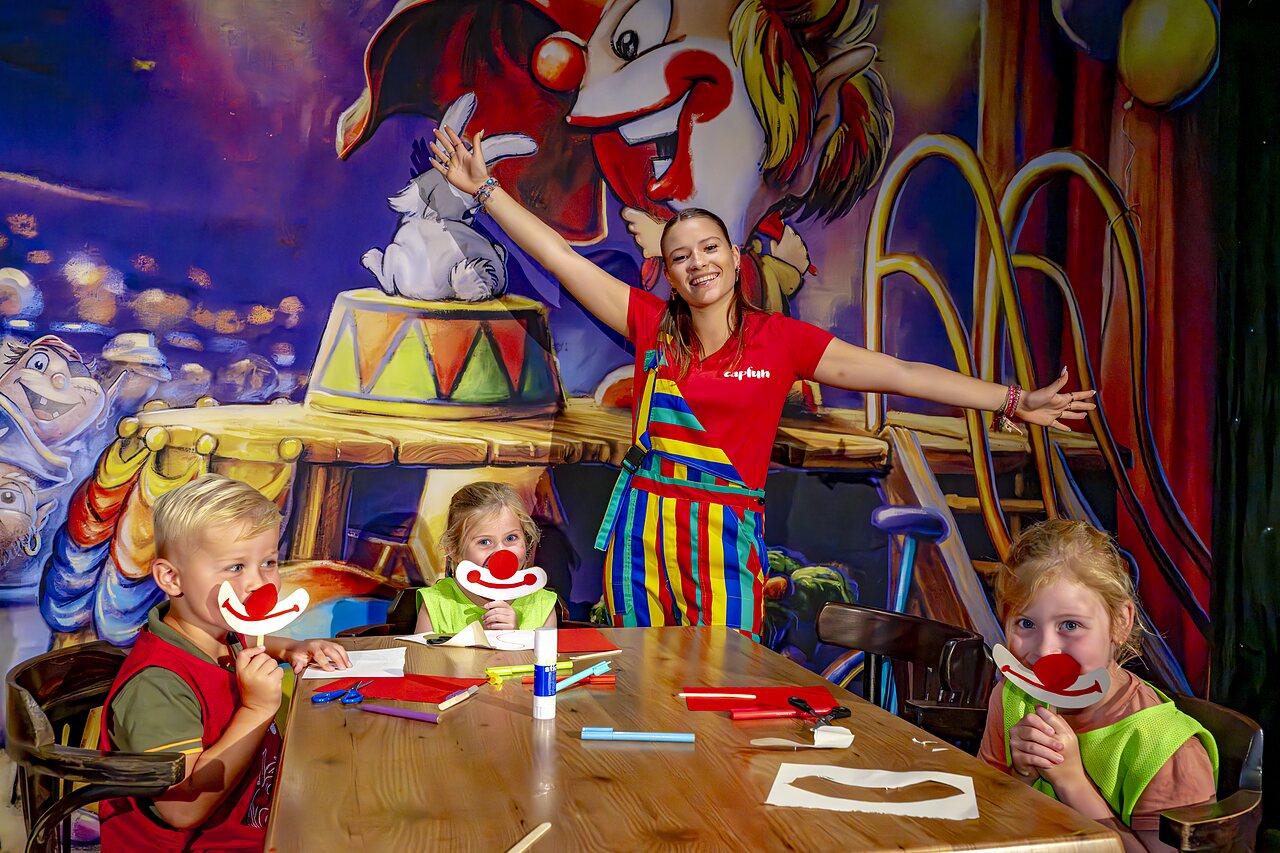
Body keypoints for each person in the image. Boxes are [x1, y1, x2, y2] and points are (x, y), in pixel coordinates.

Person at [429, 126, 1096, 637]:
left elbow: (901, 372)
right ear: (668, 273)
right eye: (680, 256)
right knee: (639, 681)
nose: (698, 264)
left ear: (734, 257)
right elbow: (559, 257)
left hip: (726, 537)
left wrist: (1013, 400)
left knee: (725, 676)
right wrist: (485, 191)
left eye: (709, 248)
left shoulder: (781, 341)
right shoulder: (652, 324)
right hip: (642, 537)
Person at [99, 473, 351, 851]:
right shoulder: (156, 685)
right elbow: (182, 810)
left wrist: (291, 648)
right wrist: (256, 709)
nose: (259, 583)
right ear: (171, 578)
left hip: (264, 821)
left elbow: (248, 644)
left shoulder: (221, 634)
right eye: (235, 567)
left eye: (268, 562)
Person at [978, 520, 1217, 852]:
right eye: (1026, 623)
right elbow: (984, 823)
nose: (1045, 650)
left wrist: (1073, 783)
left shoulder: (1166, 748)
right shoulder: (1012, 698)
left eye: (1070, 625)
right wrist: (1021, 775)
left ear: (1120, 622)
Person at [414, 481, 558, 633]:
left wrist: (515, 635)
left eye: (511, 538)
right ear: (454, 550)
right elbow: (420, 650)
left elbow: (545, 650)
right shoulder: (436, 603)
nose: (501, 553)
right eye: (484, 542)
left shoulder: (542, 605)